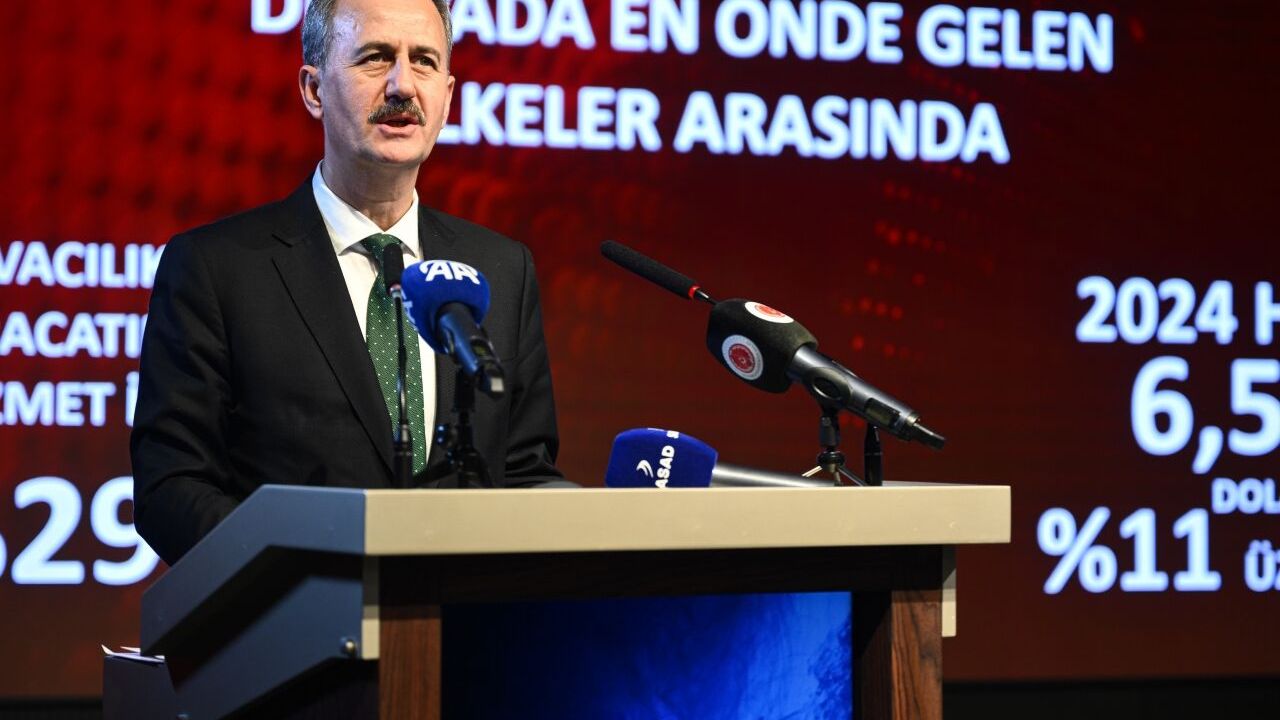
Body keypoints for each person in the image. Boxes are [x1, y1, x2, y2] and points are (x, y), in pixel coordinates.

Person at [131, 0, 563, 567]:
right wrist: (313, 579)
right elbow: (172, 486)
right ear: (314, 90)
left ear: (448, 96)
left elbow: (526, 474)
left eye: (424, 61)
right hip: (294, 614)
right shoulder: (216, 269)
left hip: (464, 618)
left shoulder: (502, 270)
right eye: (375, 57)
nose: (403, 85)